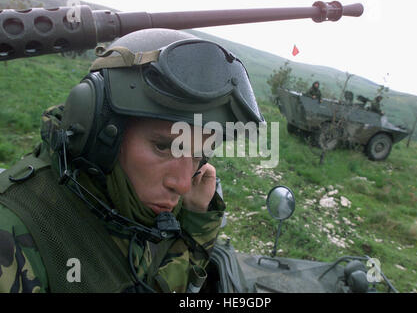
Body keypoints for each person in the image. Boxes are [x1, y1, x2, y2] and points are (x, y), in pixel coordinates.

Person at [0, 29, 264, 293]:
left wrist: (196, 221)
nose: (183, 184)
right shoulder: (14, 235)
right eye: (163, 146)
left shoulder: (144, 203)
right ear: (98, 132)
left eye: (198, 154)